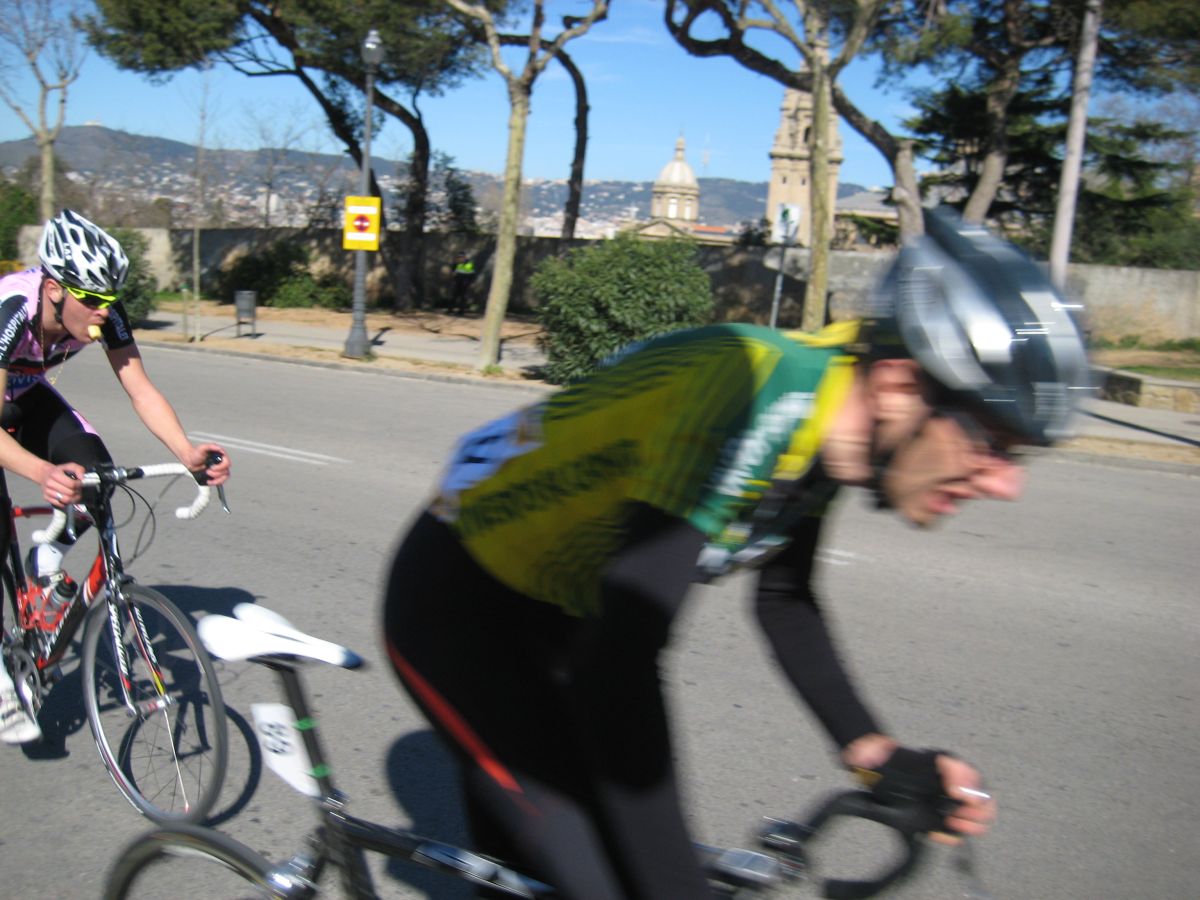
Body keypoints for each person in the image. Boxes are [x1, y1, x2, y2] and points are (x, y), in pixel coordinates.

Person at [382, 208, 1088, 898]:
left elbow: (784, 597)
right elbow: (620, 669)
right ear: (901, 385)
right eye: (991, 442)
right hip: (460, 600)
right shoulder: (746, 390)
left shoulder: (832, 422)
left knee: (589, 851)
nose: (1007, 485)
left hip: (569, 610)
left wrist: (875, 753)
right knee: (587, 857)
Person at [0, 210, 231, 745]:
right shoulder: (13, 310)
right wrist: (41, 470)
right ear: (54, 289)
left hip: (24, 396)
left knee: (98, 479)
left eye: (110, 299)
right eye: (92, 300)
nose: (103, 312)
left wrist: (187, 452)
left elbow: (140, 388)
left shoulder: (103, 309)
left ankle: (46, 558)